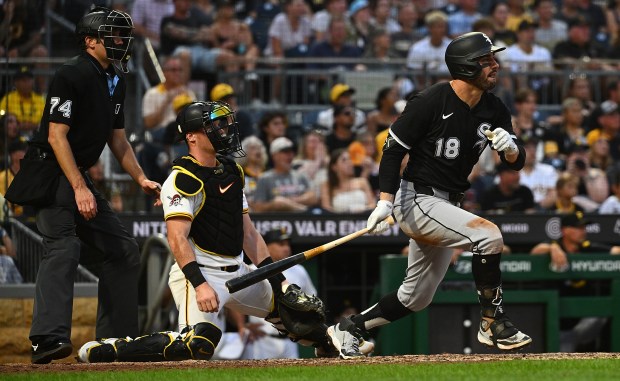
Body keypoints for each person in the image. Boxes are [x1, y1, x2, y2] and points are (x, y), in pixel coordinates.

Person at [77, 101, 368, 362]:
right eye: (212, 125)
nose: (222, 130)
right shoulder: (181, 179)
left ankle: (331, 343)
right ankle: (114, 348)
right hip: (200, 273)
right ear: (191, 136)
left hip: (239, 271)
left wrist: (278, 280)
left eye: (222, 123)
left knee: (295, 311)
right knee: (199, 344)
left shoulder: (232, 170)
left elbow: (249, 233)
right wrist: (200, 284)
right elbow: (176, 239)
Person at [332, 32, 532, 357]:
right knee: (489, 236)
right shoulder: (431, 100)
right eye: (486, 61)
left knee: (416, 298)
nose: (495, 65)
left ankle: (349, 327)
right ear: (467, 67)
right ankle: (492, 321)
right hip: (418, 199)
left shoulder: (494, 108)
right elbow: (393, 149)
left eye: (494, 59)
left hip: (448, 203)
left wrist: (511, 150)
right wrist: (384, 200)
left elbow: (518, 162)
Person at [8, 8, 162, 364]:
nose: (120, 41)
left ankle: (115, 341)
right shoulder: (71, 73)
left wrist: (141, 178)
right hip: (51, 173)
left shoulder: (117, 81)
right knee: (63, 246)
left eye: (123, 36)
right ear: (90, 41)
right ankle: (46, 339)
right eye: (112, 35)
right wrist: (80, 188)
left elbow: (118, 141)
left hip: (76, 174)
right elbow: (56, 136)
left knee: (124, 249)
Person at [530, 212, 620, 352]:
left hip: (583, 321)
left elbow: (615, 251)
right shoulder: (554, 245)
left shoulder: (586, 247)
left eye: (584, 227)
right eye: (578, 227)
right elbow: (534, 252)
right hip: (557, 324)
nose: (583, 231)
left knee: (603, 313)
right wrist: (553, 248)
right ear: (565, 230)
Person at [241, 228, 318, 359]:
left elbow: (312, 299)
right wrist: (242, 325)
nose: (286, 248)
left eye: (287, 244)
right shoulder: (252, 270)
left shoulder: (299, 270)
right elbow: (234, 298)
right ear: (266, 246)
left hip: (291, 340)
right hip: (262, 339)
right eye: (281, 244)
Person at [253, 137, 318, 212]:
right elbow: (258, 208)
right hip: (277, 221)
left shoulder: (301, 175)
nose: (290, 155)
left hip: (301, 221)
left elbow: (313, 197)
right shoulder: (265, 178)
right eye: (285, 152)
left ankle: (305, 211)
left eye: (291, 152)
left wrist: (287, 202)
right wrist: (273, 205)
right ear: (274, 156)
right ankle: (306, 211)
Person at [320, 148, 375, 213]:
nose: (349, 163)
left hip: (363, 220)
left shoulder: (362, 182)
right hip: (339, 221)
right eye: (344, 160)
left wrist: (362, 209)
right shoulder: (327, 185)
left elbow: (372, 205)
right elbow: (326, 210)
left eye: (350, 159)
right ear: (334, 167)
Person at [0, 65, 46, 135]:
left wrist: (34, 125)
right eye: (23, 80)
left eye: (29, 80)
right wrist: (15, 124)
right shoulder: (8, 98)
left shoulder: (40, 100)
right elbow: (1, 117)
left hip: (36, 133)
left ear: (33, 81)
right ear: (16, 83)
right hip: (14, 135)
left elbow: (46, 119)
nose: (26, 83)